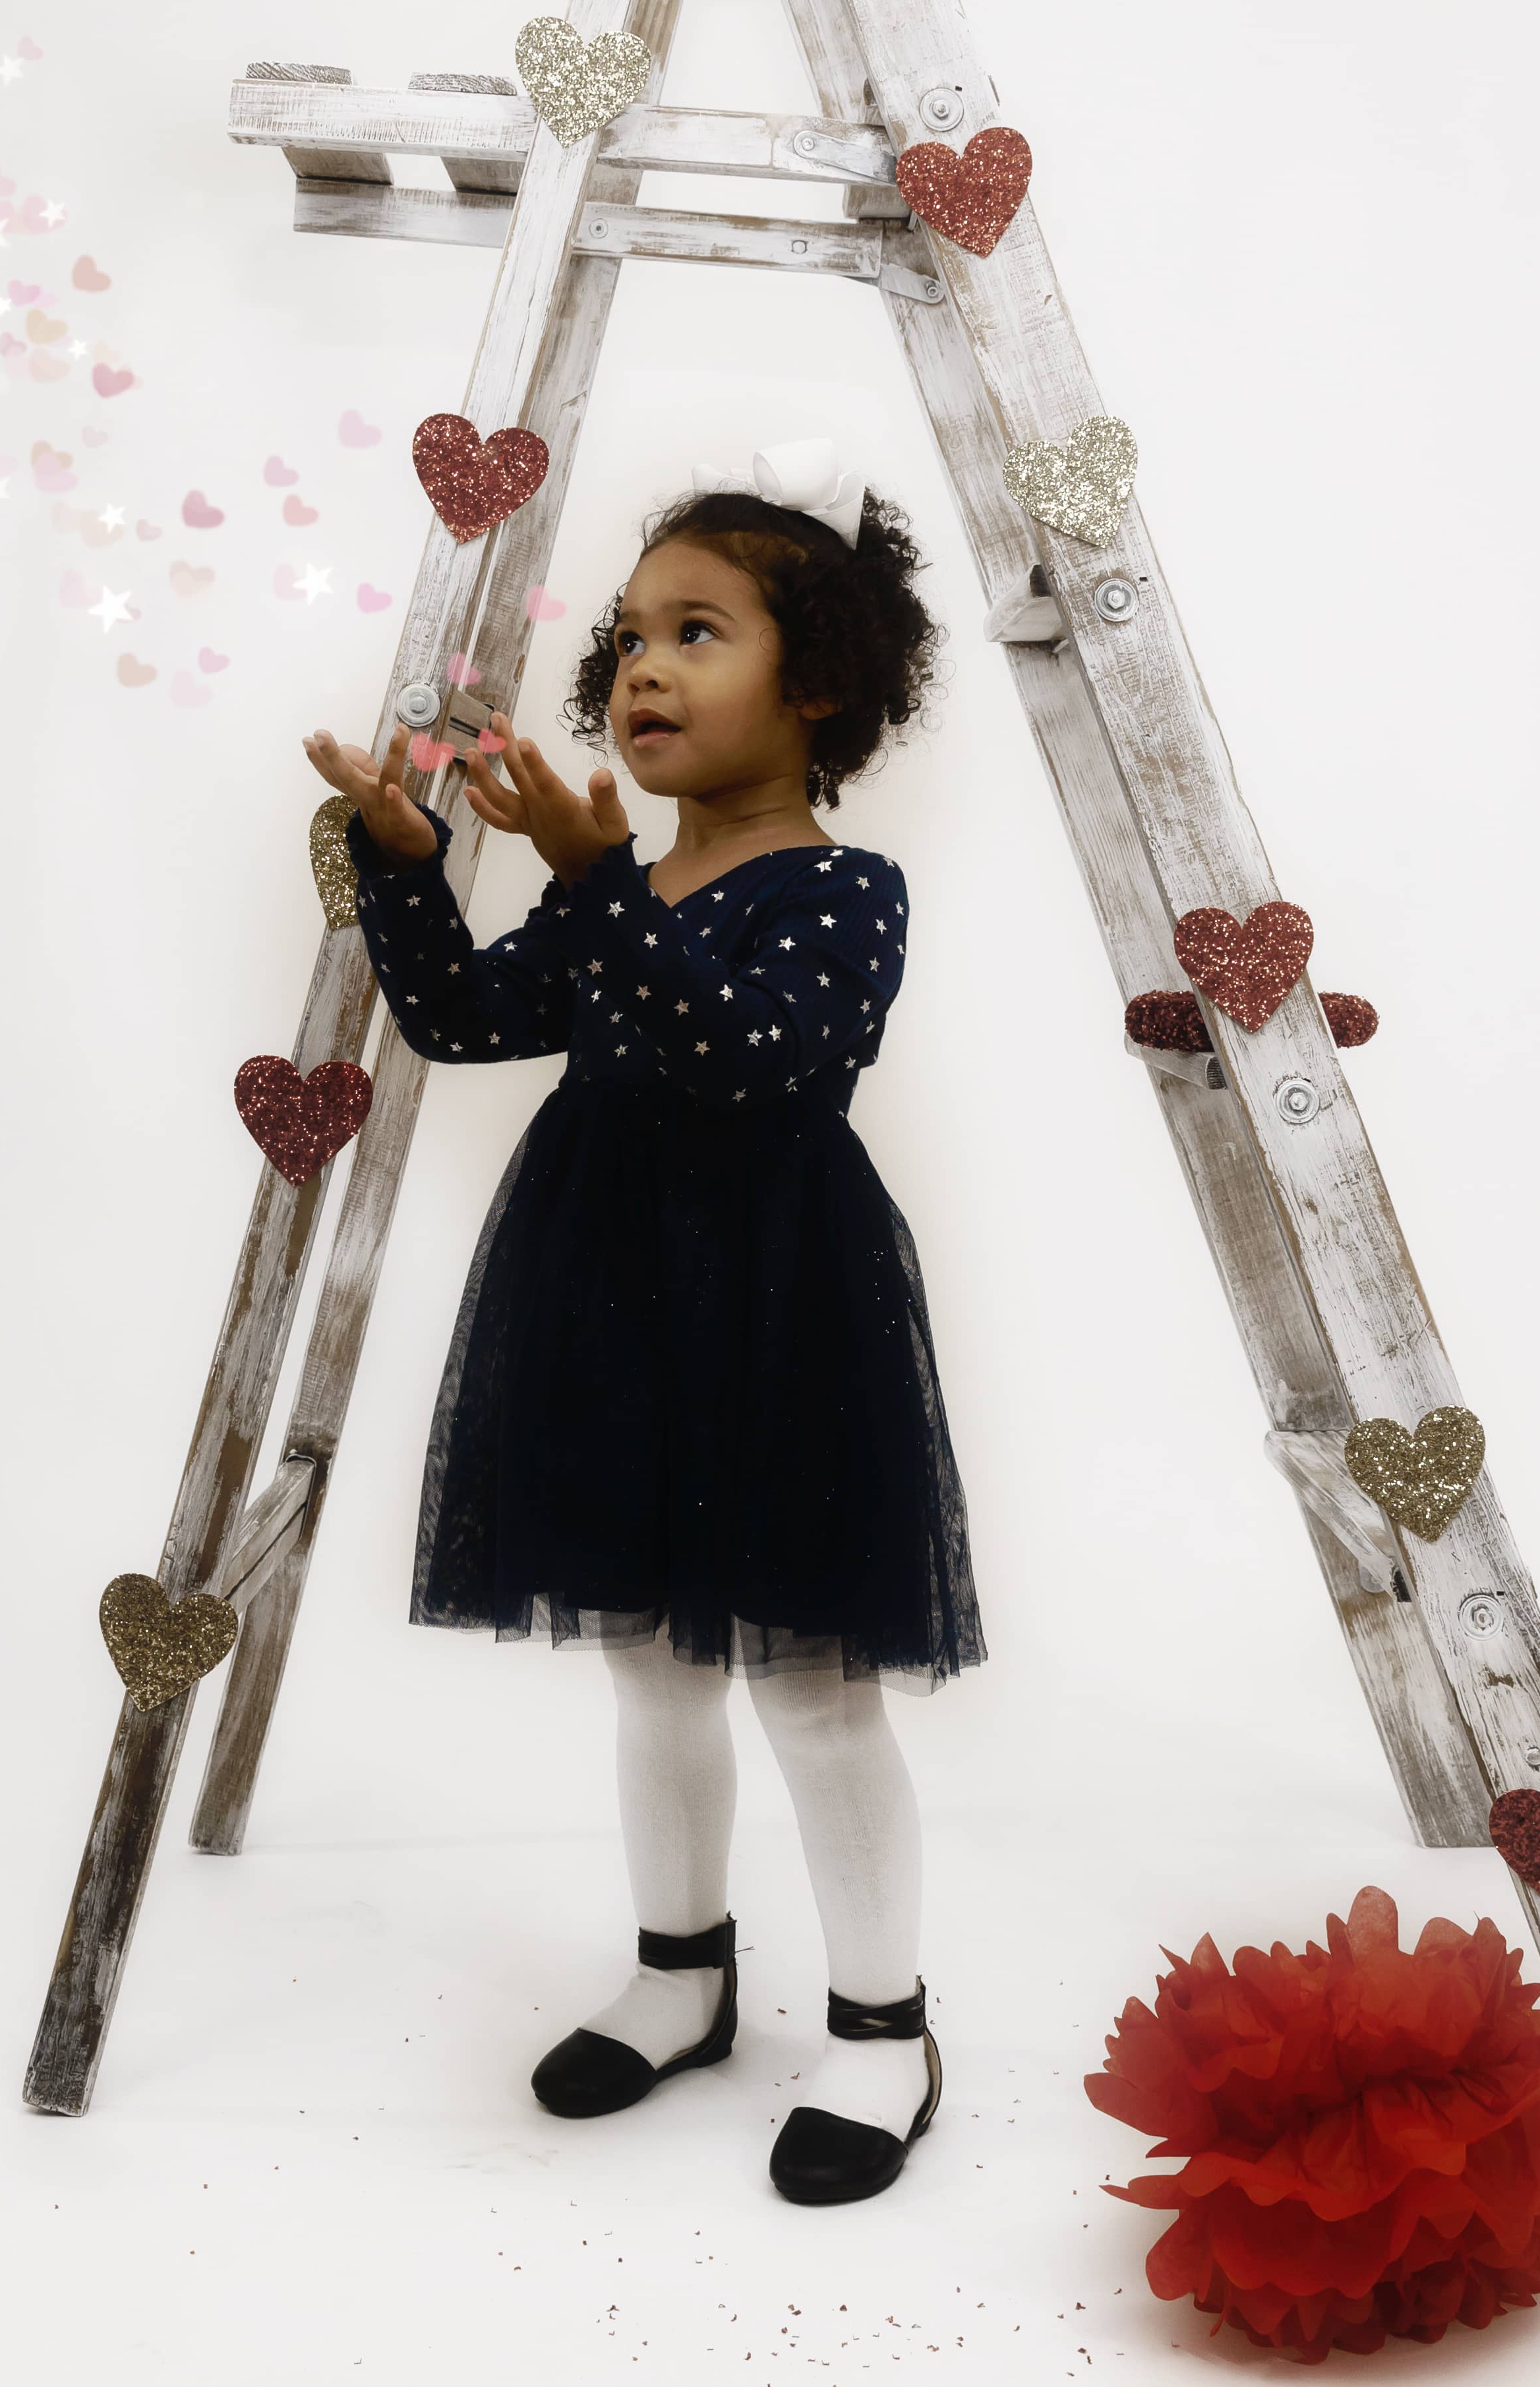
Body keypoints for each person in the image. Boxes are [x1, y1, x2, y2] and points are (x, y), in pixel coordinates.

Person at [303, 439, 984, 2206]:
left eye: (699, 631)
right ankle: (681, 1967)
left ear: (815, 683)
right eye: (625, 639)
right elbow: (457, 1019)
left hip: (779, 1313)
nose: (641, 670)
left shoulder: (844, 891)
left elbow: (757, 1068)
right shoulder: (618, 890)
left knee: (810, 1681)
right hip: (605, 1297)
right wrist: (404, 860)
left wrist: (602, 886)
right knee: (649, 1664)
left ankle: (881, 2023)